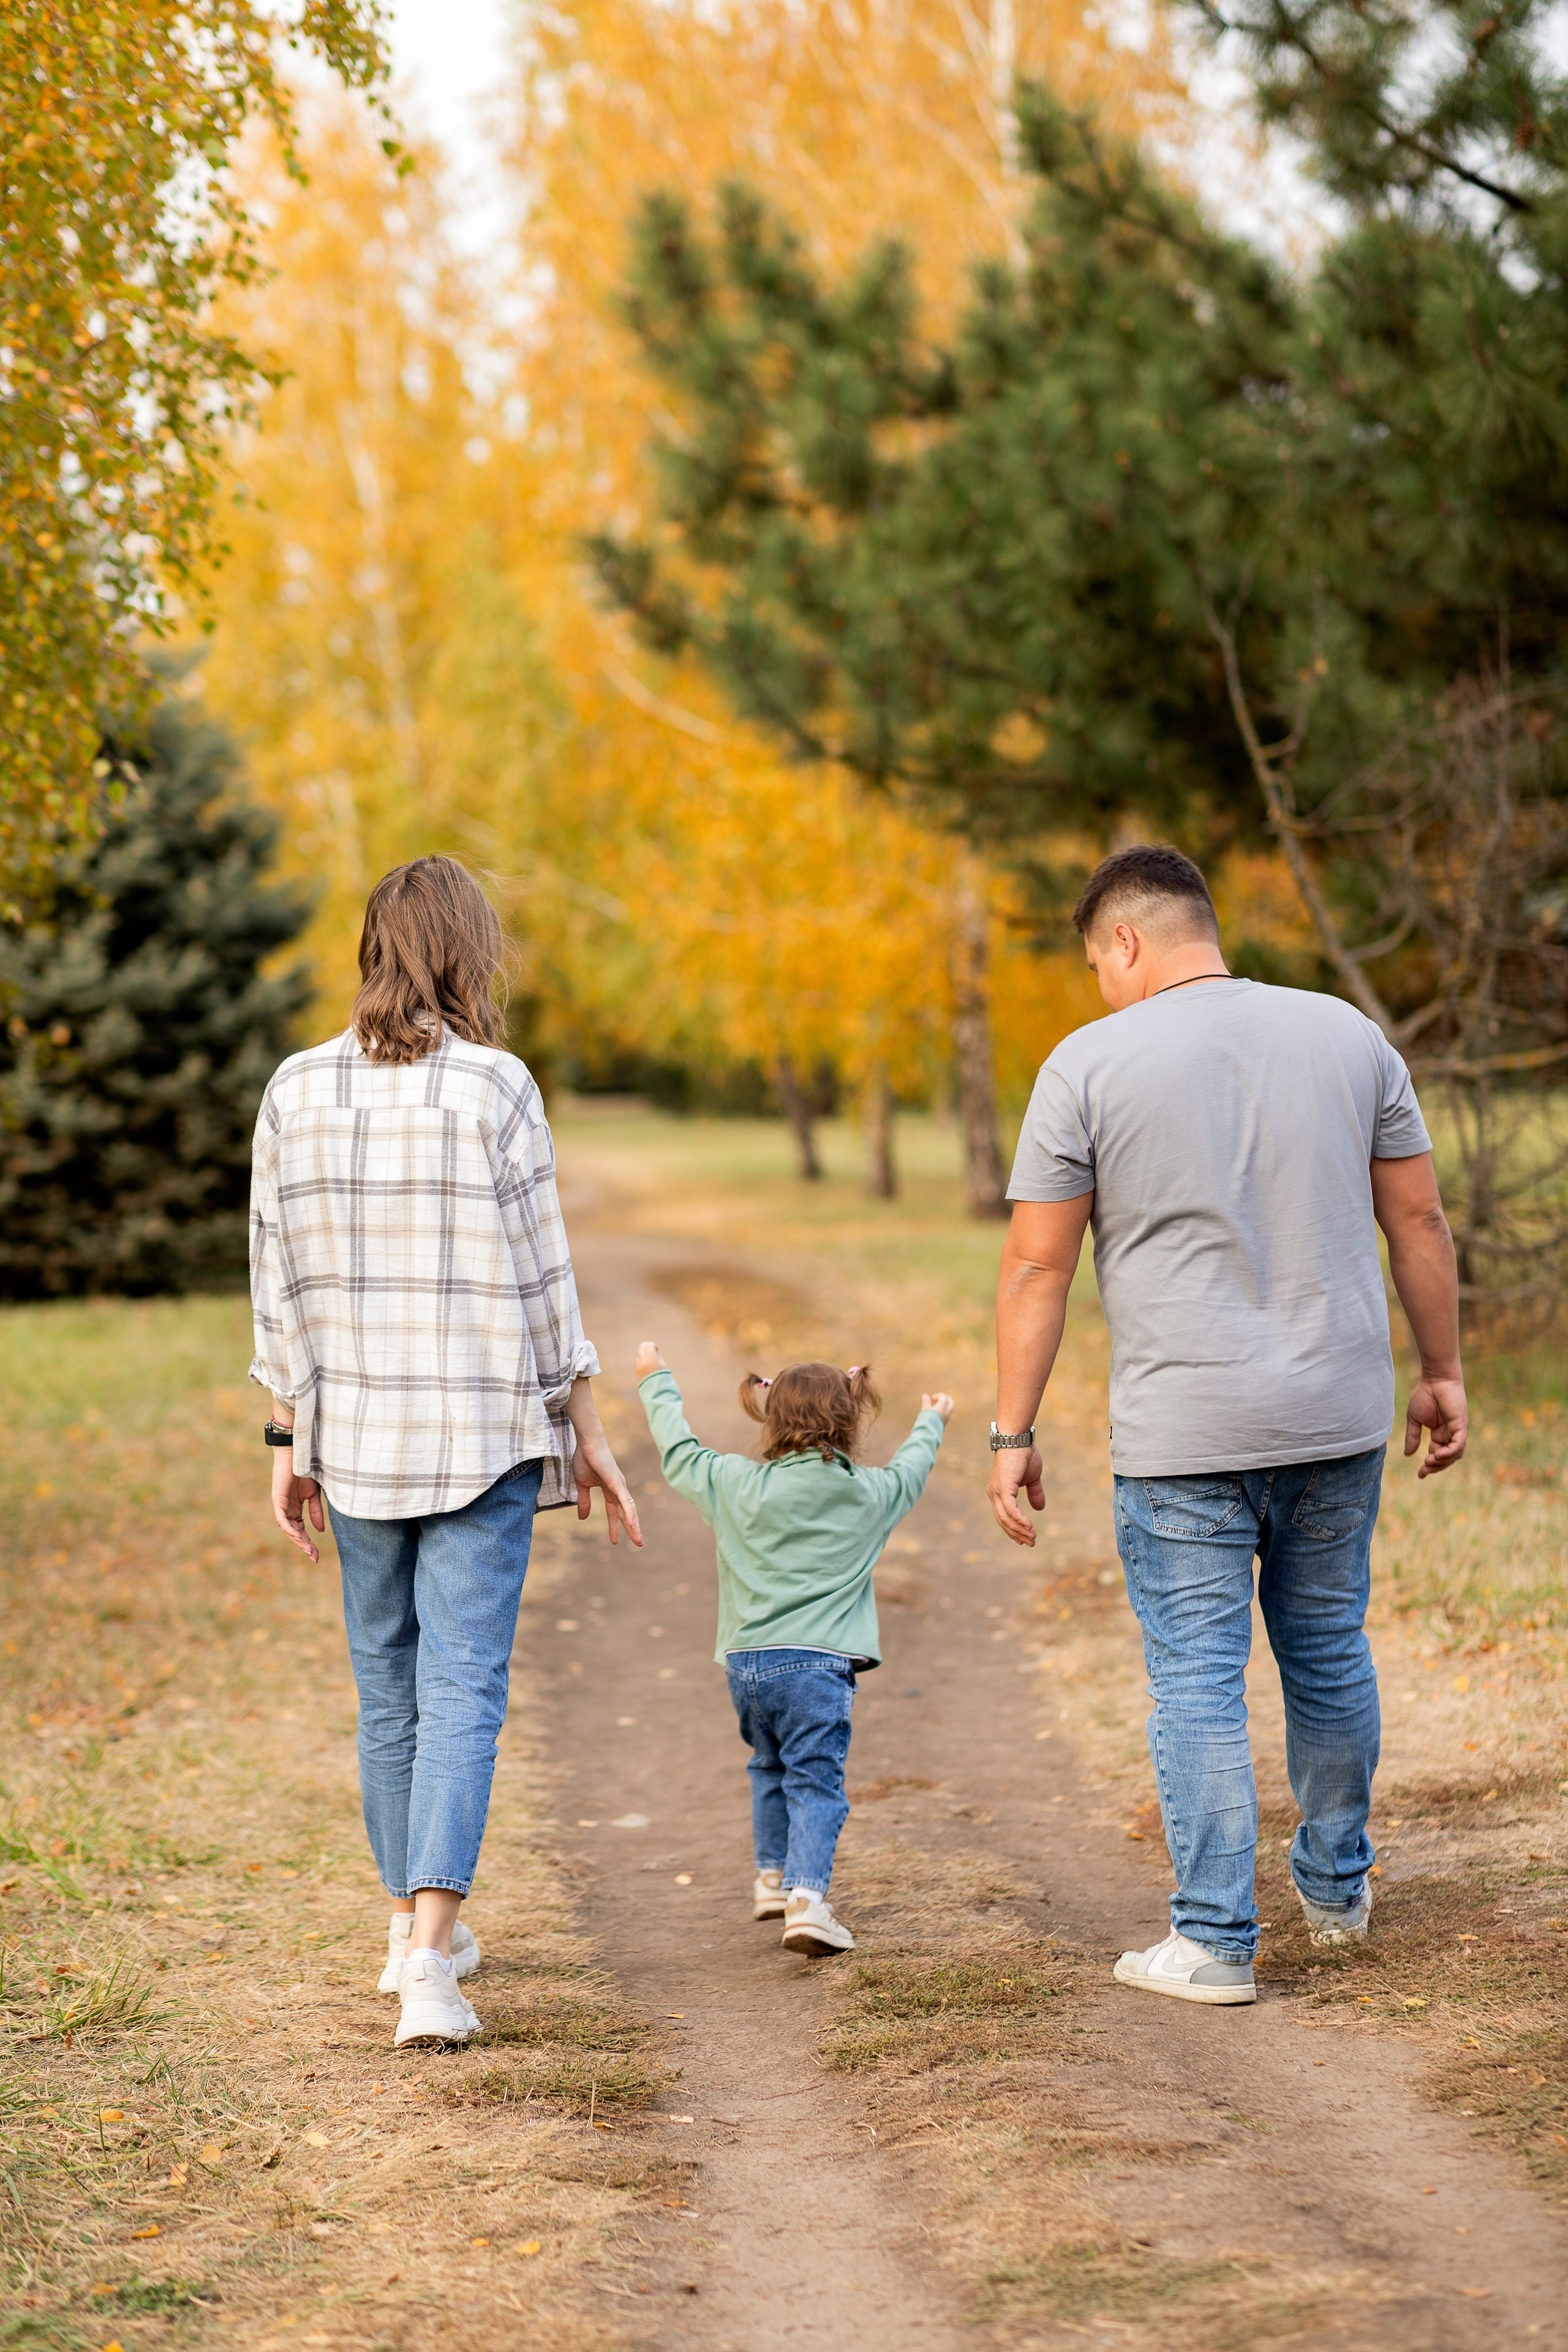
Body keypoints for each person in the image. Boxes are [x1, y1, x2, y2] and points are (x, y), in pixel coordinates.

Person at [988, 844, 1466, 2008]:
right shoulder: (1349, 1036)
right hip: (1336, 1415)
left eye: (1097, 964)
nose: (1101, 986)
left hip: (1184, 1435)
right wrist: (1442, 1371)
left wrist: (1012, 1433)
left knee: (1197, 1682)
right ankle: (1337, 1888)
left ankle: (1212, 1942)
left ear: (1126, 944)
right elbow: (1420, 1219)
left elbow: (1036, 1268)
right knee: (1328, 1647)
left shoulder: (1086, 1065)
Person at [249, 856, 642, 2049]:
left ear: (374, 946)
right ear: (469, 952)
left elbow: (279, 1283)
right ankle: (431, 1954)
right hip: (479, 1438)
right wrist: (584, 1423)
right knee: (461, 1686)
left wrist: (286, 1432)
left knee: (389, 1687)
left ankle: (407, 1931)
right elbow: (541, 1278)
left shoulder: (294, 1088)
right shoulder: (495, 1088)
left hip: (356, 1439)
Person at [635, 1343, 953, 1954]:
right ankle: (807, 1900)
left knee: (768, 1766)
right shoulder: (871, 1492)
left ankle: (772, 1877)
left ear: (770, 1419)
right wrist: (931, 1420)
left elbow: (679, 1451)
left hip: (747, 1664)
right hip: (818, 1666)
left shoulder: (732, 1482)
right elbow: (912, 1470)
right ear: (851, 1418)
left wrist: (656, 1382)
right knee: (815, 1780)